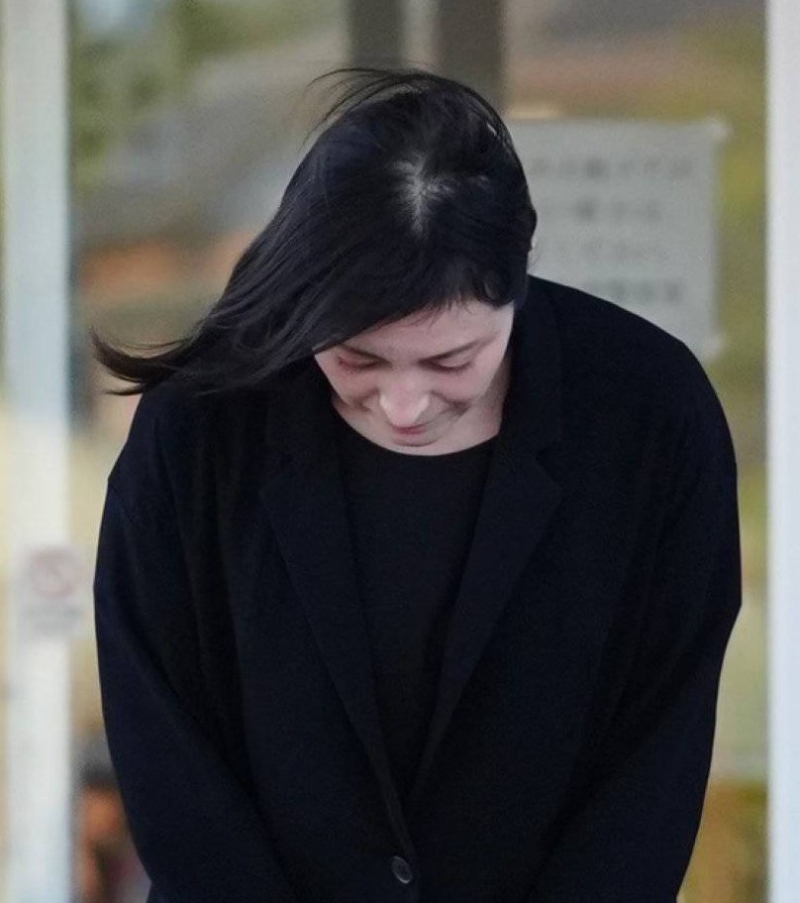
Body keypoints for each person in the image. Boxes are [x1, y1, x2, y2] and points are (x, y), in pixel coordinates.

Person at [90, 68, 741, 903]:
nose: (403, 404)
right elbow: (165, 735)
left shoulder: (648, 414)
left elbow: (656, 750)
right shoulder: (204, 419)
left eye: (451, 359)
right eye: (356, 356)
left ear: (518, 277)